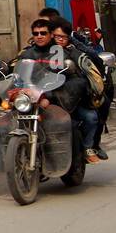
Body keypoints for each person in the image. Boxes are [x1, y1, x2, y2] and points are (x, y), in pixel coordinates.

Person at [18, 19, 99, 164]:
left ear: (50, 35)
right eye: (36, 33)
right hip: (31, 99)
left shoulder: (66, 54)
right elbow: (17, 74)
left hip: (62, 101)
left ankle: (83, 151)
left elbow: (77, 81)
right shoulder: (27, 54)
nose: (39, 36)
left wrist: (51, 96)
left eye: (43, 33)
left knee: (82, 120)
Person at [52, 18, 111, 162]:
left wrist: (87, 87)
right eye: (56, 36)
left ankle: (90, 146)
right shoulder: (38, 50)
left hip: (71, 99)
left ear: (68, 36)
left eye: (63, 37)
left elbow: (93, 65)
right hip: (45, 96)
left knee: (93, 116)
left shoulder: (77, 52)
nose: (59, 40)